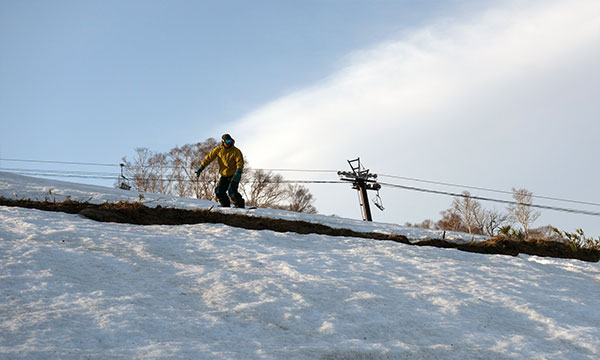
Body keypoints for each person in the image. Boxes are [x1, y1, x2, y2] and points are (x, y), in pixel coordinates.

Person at [195, 134, 245, 208]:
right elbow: (208, 158)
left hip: (234, 175)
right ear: (223, 141)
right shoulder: (218, 150)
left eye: (230, 141)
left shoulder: (236, 151)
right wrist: (201, 168)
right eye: (226, 141)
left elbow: (240, 162)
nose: (228, 143)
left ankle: (240, 205)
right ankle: (225, 205)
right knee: (219, 191)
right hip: (224, 175)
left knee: (232, 191)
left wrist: (239, 171)